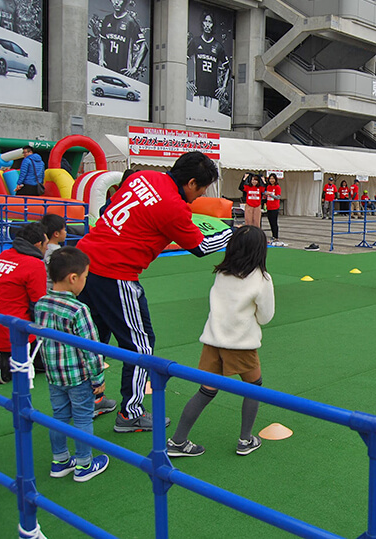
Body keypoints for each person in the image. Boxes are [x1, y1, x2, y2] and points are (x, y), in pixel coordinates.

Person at [77, 152, 232, 432]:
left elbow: (109, 208)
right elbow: (201, 247)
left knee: (94, 338)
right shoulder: (174, 206)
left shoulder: (143, 177)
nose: (199, 196)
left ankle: (88, 399)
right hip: (115, 273)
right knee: (140, 345)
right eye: (202, 190)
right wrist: (231, 234)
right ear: (192, 182)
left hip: (85, 263)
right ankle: (130, 413)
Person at [168, 226, 274, 458]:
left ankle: (177, 441)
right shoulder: (261, 279)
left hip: (212, 341)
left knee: (206, 391)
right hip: (241, 344)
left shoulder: (222, 273)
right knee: (253, 388)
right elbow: (266, 317)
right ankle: (245, 439)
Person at [35, 247, 110, 482]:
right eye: (86, 277)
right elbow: (91, 347)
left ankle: (60, 460)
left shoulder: (41, 304)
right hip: (78, 376)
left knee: (59, 416)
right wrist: (98, 379)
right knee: (83, 418)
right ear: (73, 278)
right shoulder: (78, 309)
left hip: (54, 375)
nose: (86, 282)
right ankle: (84, 464)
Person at [0, 222, 46, 384]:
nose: (47, 248)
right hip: (14, 334)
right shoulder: (34, 264)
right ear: (38, 244)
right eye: (46, 244)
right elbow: (38, 307)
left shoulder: (3, 255)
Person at [98, 0, 147, 78]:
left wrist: (135, 68)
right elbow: (102, 40)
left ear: (124, 0)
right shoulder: (107, 19)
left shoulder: (130, 21)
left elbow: (144, 46)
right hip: (106, 69)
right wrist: (101, 59)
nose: (116, 2)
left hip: (123, 73)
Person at [187, 11, 230, 112]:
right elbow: (183, 60)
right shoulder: (195, 42)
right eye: (205, 21)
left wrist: (223, 87)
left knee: (212, 123)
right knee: (196, 122)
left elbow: (228, 68)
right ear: (202, 23)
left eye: (210, 22)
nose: (207, 24)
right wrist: (186, 81)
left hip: (213, 94)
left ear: (213, 25)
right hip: (198, 92)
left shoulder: (218, 46)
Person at [42, 214, 67, 289]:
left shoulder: (43, 247)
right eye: (64, 230)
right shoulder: (54, 251)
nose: (65, 232)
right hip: (50, 287)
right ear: (56, 234)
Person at [264, 173, 281, 242]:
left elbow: (278, 197)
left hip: (275, 207)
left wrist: (270, 194)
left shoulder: (277, 187)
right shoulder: (268, 187)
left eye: (273, 178)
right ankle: (273, 235)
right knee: (270, 221)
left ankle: (276, 236)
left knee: (274, 222)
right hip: (269, 206)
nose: (271, 180)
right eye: (270, 178)